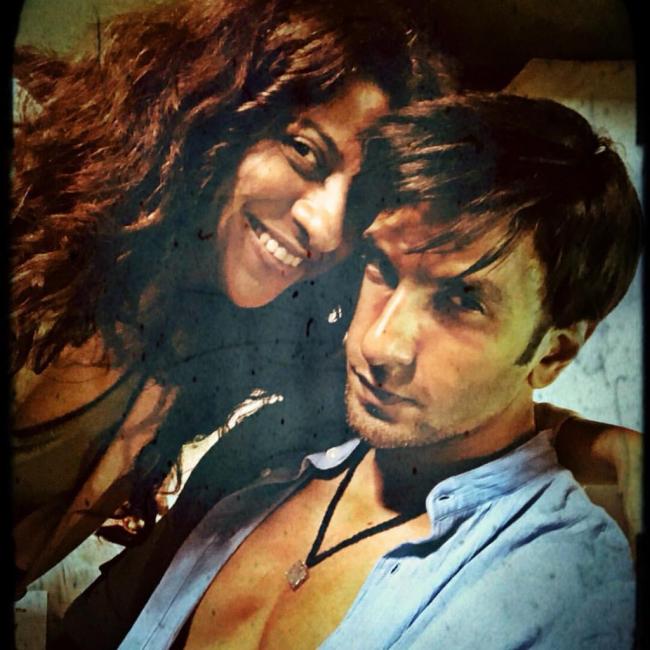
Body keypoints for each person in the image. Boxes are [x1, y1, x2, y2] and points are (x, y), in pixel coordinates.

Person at [11, 0, 640, 596]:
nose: (328, 226)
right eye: (305, 152)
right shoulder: (30, 211)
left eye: (359, 195)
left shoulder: (243, 322)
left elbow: (452, 406)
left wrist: (589, 443)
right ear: (217, 115)